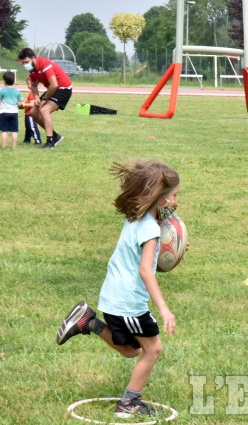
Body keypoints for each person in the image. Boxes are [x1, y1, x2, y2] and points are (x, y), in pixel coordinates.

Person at [56, 160, 183, 418]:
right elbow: (145, 270)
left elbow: (142, 261)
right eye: (174, 196)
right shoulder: (150, 229)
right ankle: (129, 403)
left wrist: (172, 254)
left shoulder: (136, 219)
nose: (176, 201)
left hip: (113, 299)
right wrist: (164, 308)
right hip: (129, 304)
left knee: (131, 350)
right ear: (160, 198)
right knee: (153, 349)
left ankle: (89, 321)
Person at [17, 47, 72, 149]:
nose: (25, 65)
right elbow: (33, 85)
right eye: (23, 63)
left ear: (33, 58)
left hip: (63, 88)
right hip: (53, 89)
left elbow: (54, 85)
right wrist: (37, 97)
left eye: (27, 62)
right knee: (33, 111)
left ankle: (50, 142)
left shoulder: (44, 64)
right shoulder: (32, 70)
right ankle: (55, 136)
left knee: (44, 110)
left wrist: (44, 99)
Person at [0, 71, 23, 149]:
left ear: (4, 81)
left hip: (4, 112)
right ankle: (14, 147)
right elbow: (19, 104)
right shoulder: (17, 92)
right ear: (14, 81)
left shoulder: (2, 91)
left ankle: (3, 146)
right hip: (14, 113)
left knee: (4, 131)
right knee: (14, 131)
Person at [21, 77, 41, 145]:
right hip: (27, 113)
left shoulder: (33, 93)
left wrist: (23, 105)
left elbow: (32, 104)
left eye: (29, 84)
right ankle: (27, 140)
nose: (27, 85)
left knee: (32, 127)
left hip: (30, 114)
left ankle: (38, 140)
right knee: (28, 127)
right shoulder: (32, 92)